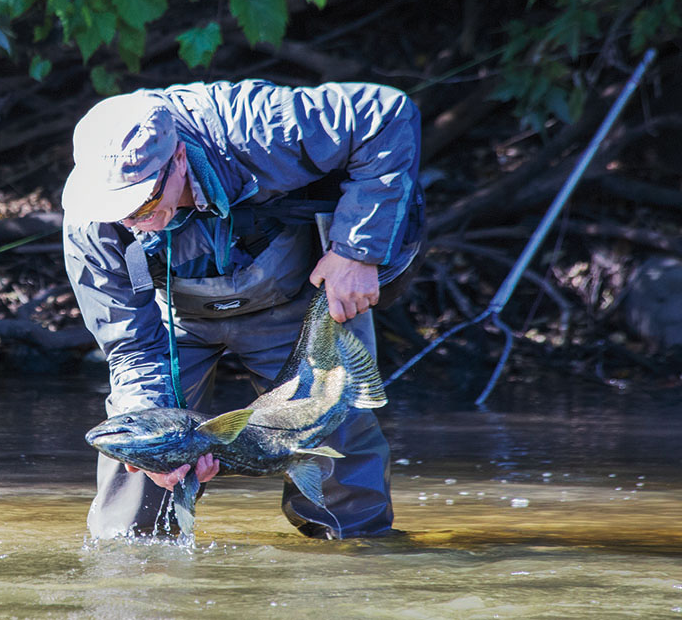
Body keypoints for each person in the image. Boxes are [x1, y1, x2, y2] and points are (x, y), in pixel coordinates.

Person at [62, 80, 423, 539]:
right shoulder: (89, 220)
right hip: (174, 321)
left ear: (178, 159)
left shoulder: (259, 127)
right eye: (117, 211)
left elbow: (386, 114)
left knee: (337, 441)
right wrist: (151, 441)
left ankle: (360, 568)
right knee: (135, 466)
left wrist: (357, 251)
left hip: (295, 297)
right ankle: (134, 577)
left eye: (142, 204)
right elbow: (132, 346)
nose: (129, 221)